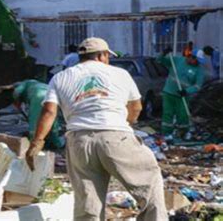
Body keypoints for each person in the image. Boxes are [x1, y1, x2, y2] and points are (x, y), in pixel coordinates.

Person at [25, 37, 167, 220]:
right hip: (115, 136)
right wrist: (126, 125)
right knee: (149, 183)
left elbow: (49, 111)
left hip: (78, 140)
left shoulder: (60, 77)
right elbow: (136, 108)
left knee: (88, 203)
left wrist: (36, 143)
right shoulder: (120, 74)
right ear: (102, 55)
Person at [157, 48, 205, 136]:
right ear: (191, 57)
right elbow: (159, 60)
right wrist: (163, 53)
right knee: (167, 113)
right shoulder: (177, 60)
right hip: (169, 92)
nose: (197, 63)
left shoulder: (199, 70)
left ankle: (183, 133)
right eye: (197, 60)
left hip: (183, 96)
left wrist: (187, 91)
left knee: (182, 115)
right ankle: (166, 133)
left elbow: (198, 85)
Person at [13, 80, 65, 149]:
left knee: (34, 120)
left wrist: (16, 101)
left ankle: (32, 144)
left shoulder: (23, 84)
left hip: (38, 97)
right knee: (52, 120)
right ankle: (57, 142)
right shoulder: (36, 83)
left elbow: (17, 92)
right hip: (51, 96)